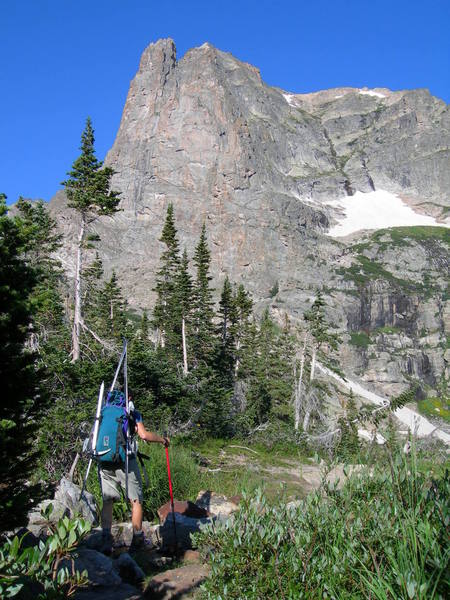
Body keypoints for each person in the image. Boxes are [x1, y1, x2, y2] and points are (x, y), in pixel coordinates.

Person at [99, 395, 169, 554]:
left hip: (104, 458)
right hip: (126, 461)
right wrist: (162, 439)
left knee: (108, 500)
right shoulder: (131, 412)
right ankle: (137, 539)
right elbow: (144, 435)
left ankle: (105, 539)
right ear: (129, 397)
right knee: (136, 500)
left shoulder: (104, 410)